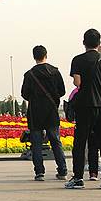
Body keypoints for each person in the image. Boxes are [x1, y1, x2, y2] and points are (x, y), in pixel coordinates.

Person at [65, 28, 101, 190]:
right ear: (99, 43)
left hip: (85, 107)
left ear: (83, 43)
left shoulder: (78, 60)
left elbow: (77, 83)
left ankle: (78, 178)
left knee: (80, 142)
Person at [20, 45, 67, 181]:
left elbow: (24, 94)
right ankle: (62, 170)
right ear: (46, 55)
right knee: (55, 141)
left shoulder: (29, 74)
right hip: (51, 111)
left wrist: (36, 99)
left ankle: (39, 172)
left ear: (34, 57)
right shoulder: (55, 71)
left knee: (36, 143)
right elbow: (62, 91)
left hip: (35, 112)